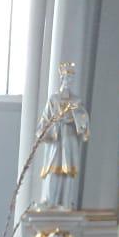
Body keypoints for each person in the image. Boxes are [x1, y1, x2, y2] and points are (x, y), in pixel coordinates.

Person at [36, 62, 90, 210]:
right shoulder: (54, 99)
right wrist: (43, 131)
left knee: (69, 169)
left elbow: (83, 118)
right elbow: (45, 118)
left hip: (69, 138)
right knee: (53, 168)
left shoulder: (76, 101)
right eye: (66, 78)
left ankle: (66, 202)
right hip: (56, 138)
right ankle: (50, 201)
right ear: (61, 79)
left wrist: (73, 117)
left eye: (70, 78)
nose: (68, 81)